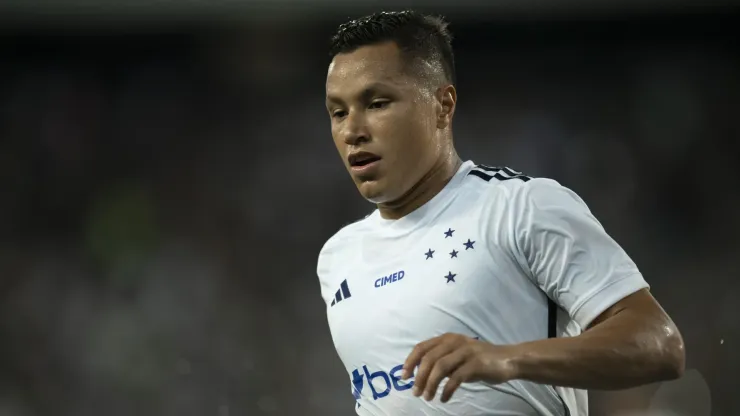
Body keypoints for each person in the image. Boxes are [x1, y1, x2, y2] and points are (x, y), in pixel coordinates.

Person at [316, 10, 684, 416]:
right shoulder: (337, 258)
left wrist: (507, 359)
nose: (352, 131)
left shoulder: (522, 207)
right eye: (338, 112)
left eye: (377, 103)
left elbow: (659, 344)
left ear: (442, 104)